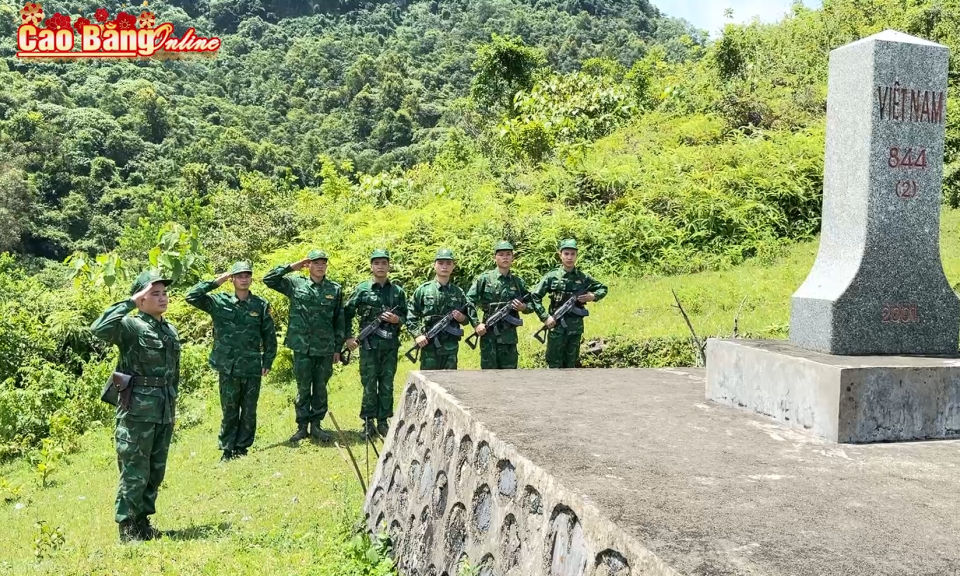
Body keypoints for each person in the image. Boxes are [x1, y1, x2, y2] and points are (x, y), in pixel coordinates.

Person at [90, 268, 180, 543]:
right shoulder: (130, 326)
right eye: (155, 293)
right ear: (141, 299)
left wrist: (172, 404)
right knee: (135, 470)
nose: (162, 298)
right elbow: (98, 328)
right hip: (137, 412)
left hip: (163, 410)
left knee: (155, 471)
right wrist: (129, 302)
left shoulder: (169, 330)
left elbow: (173, 373)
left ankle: (143, 523)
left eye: (164, 293)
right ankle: (128, 528)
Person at [185, 261, 277, 462]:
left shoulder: (260, 305)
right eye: (239, 276)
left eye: (247, 275)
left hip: (252, 366)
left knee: (249, 410)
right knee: (229, 409)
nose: (244, 279)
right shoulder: (219, 302)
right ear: (232, 279)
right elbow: (191, 296)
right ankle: (227, 449)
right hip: (227, 366)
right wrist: (217, 281)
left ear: (251, 278)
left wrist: (268, 361)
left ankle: (242, 448)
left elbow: (269, 336)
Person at [263, 250, 345, 443]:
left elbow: (339, 320)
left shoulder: (334, 289)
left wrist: (337, 348)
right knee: (303, 387)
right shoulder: (295, 284)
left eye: (323, 263)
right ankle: (301, 427)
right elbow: (269, 279)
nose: (320, 266)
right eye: (316, 263)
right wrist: (293, 266)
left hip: (325, 348)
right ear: (309, 265)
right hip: (302, 346)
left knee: (320, 387)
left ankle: (316, 425)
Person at [343, 249, 408, 439]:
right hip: (369, 346)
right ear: (371, 266)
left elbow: (407, 316)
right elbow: (346, 313)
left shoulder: (397, 292)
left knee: (387, 384)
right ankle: (368, 422)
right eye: (377, 263)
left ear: (389, 266)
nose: (380, 267)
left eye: (384, 263)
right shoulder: (362, 289)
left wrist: (397, 319)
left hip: (390, 346)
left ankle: (383, 421)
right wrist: (348, 337)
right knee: (369, 384)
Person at [530, 239, 608, 368]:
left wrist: (593, 296)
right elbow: (535, 296)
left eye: (572, 254)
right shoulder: (552, 277)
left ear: (576, 255)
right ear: (560, 255)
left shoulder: (582, 278)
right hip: (556, 326)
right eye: (566, 254)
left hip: (575, 328)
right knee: (554, 364)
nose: (569, 257)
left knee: (571, 363)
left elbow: (603, 288)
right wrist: (545, 317)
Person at [466, 241, 543, 369]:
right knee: (488, 374)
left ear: (513, 257)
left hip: (509, 338)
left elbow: (531, 303)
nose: (505, 257)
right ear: (494, 258)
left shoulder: (518, 282)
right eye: (501, 254)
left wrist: (523, 307)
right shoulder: (485, 279)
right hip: (488, 335)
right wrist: (476, 324)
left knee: (509, 375)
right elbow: (469, 301)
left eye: (508, 254)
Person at [406, 248, 477, 370]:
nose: (444, 266)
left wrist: (462, 318)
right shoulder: (423, 290)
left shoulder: (458, 292)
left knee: (450, 380)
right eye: (440, 263)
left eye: (448, 263)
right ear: (434, 265)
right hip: (429, 347)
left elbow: (467, 319)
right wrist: (418, 335)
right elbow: (410, 314)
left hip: (451, 349)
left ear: (453, 266)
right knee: (428, 380)